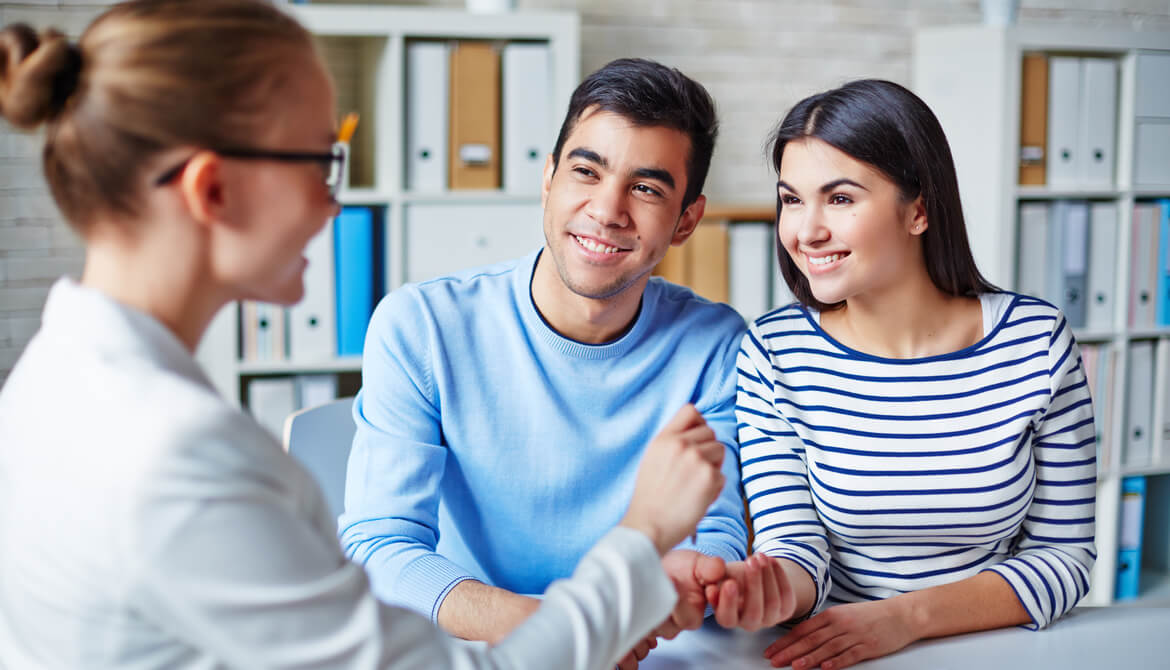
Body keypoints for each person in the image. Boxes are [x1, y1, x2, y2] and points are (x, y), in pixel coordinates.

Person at [0, 2, 733, 667]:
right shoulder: (181, 458)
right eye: (322, 163)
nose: (333, 205)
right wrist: (641, 536)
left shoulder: (55, 380)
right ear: (212, 190)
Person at [341, 57, 750, 665]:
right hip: (486, 647)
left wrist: (691, 581)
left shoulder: (716, 344)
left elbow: (717, 532)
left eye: (646, 188)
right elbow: (381, 545)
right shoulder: (422, 326)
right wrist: (555, 630)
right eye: (586, 172)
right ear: (549, 180)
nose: (607, 210)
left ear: (687, 219)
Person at [727, 79, 1097, 670]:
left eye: (840, 199)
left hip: (991, 648)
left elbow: (1065, 557)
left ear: (919, 209)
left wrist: (903, 619)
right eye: (791, 199)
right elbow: (794, 547)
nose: (806, 230)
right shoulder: (775, 352)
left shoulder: (1036, 342)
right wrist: (763, 590)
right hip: (837, 653)